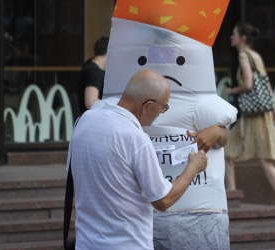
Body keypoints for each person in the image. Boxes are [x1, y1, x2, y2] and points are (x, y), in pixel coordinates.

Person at [67, 69, 208, 249]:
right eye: (164, 107)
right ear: (147, 105)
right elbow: (163, 200)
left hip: (86, 244)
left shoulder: (84, 121)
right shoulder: (135, 137)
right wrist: (193, 167)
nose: (162, 112)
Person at [224, 22, 275, 207]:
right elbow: (267, 85)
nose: (231, 37)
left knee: (262, 160)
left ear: (242, 38)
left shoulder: (244, 56)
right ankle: (232, 195)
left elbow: (248, 85)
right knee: (228, 151)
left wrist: (231, 91)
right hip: (258, 114)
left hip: (253, 116)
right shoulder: (255, 56)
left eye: (234, 34)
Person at [77, 36, 109, 114]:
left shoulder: (89, 65)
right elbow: (90, 102)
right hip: (92, 121)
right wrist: (114, 107)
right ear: (110, 51)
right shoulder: (94, 72)